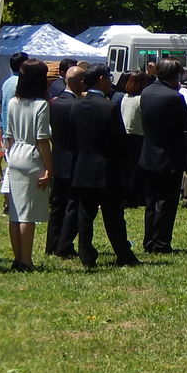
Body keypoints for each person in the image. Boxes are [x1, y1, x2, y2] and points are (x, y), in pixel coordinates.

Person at [70, 63, 141, 268]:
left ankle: (86, 254)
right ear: (101, 79)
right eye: (109, 77)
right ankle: (123, 253)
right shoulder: (109, 107)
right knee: (113, 216)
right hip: (107, 169)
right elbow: (119, 140)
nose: (111, 81)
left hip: (83, 168)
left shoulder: (77, 105)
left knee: (85, 214)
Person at [3, 58, 53, 271]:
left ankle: (17, 258)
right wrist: (50, 168)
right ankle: (26, 260)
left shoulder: (14, 101)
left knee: (15, 213)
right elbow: (42, 140)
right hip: (32, 156)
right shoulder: (41, 104)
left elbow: (9, 135)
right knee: (28, 215)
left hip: (14, 155)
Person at [138, 58, 187, 254]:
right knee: (166, 203)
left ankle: (149, 240)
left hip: (149, 154)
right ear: (174, 76)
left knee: (151, 201)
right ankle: (161, 242)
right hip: (169, 156)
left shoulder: (147, 92)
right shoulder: (174, 97)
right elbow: (186, 125)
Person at [45, 66, 84, 258]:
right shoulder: (77, 105)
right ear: (80, 83)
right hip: (74, 160)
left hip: (58, 157)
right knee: (72, 205)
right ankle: (65, 245)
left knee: (57, 204)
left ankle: (51, 244)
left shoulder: (54, 102)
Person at [118, 71, 153, 207]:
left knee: (128, 168)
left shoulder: (125, 97)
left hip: (126, 134)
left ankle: (128, 195)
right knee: (137, 170)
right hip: (138, 135)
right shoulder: (141, 99)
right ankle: (136, 196)